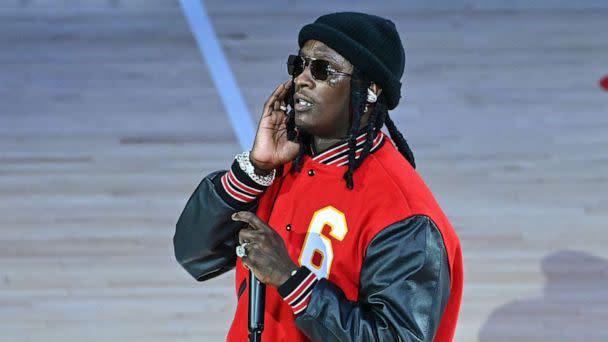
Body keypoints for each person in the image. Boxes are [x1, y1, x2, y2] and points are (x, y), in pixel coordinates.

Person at [174, 12, 463, 341]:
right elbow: (193, 254)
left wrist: (292, 281)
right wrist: (253, 171)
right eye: (299, 65)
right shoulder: (279, 168)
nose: (302, 79)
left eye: (323, 70)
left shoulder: (404, 215)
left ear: (370, 90)